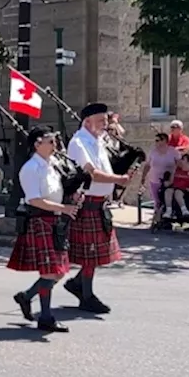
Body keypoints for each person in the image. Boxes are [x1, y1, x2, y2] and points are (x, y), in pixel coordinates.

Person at [8, 126, 77, 333]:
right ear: (37, 144)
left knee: (58, 273)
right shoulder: (31, 168)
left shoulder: (54, 164)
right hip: (40, 221)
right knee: (50, 272)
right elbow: (35, 200)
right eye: (50, 141)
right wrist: (63, 208)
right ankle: (45, 317)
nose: (55, 144)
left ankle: (27, 296)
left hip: (56, 222)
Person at [62, 102, 129, 314]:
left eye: (106, 120)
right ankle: (86, 295)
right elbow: (91, 173)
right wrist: (119, 179)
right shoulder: (79, 143)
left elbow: (108, 166)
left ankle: (79, 285)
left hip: (100, 204)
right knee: (89, 254)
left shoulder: (99, 140)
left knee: (95, 255)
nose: (105, 124)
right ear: (87, 121)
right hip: (86, 203)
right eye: (101, 120)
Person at [140, 133, 180, 216]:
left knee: (167, 198)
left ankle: (168, 214)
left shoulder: (173, 151)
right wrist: (143, 177)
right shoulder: (153, 152)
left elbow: (179, 164)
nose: (156, 142)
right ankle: (158, 217)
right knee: (157, 201)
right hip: (155, 179)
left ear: (164, 141)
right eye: (156, 140)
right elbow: (147, 165)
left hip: (169, 180)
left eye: (158, 140)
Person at [162, 154, 189, 219]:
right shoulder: (176, 170)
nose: (181, 161)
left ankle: (184, 210)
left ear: (188, 162)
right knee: (168, 191)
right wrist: (166, 183)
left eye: (183, 159)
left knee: (178, 192)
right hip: (174, 187)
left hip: (184, 190)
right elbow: (171, 182)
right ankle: (168, 211)